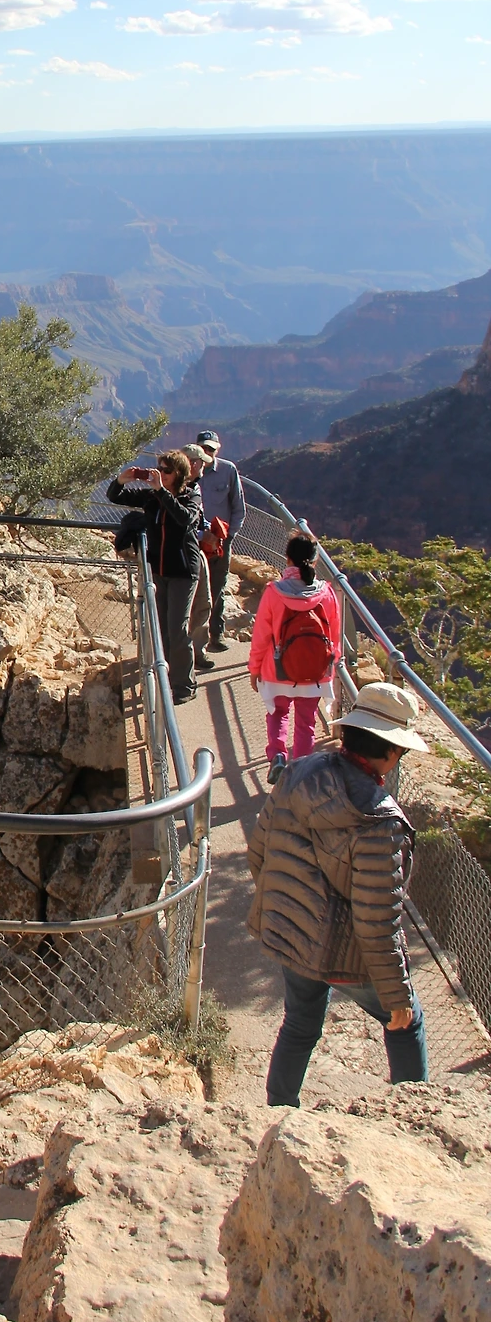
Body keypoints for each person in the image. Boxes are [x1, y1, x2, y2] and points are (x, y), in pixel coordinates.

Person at [247, 681, 429, 1107]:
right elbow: (376, 920)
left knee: (300, 1022)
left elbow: (259, 852)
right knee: (406, 1022)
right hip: (342, 951)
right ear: (390, 751)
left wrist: (286, 909)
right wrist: (397, 995)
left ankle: (278, 1110)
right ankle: (414, 1111)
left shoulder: (296, 773)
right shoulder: (379, 822)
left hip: (292, 931)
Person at [107, 450, 202, 703]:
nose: (162, 473)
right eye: (160, 467)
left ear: (179, 474)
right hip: (158, 569)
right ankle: (164, 678)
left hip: (183, 571)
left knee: (178, 627)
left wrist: (162, 492)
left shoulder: (191, 495)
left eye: (167, 470)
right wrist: (121, 480)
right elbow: (114, 497)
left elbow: (184, 519)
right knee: (161, 627)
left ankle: (184, 685)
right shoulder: (150, 496)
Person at [249, 532, 342, 785]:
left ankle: (278, 756)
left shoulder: (274, 592)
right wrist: (329, 670)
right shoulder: (326, 593)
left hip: (277, 671)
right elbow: (334, 637)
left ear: (287, 558)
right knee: (306, 722)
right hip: (314, 673)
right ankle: (301, 771)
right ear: (315, 561)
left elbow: (260, 637)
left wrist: (254, 669)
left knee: (278, 714)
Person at [196, 430, 245, 651]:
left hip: (220, 543)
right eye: (203, 448)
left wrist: (227, 537)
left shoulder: (228, 471)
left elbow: (238, 508)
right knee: (192, 589)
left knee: (217, 588)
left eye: (211, 449)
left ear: (217, 449)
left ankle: (216, 634)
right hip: (193, 541)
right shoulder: (187, 470)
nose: (207, 453)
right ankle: (193, 638)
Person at [182, 443, 216, 674]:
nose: (204, 465)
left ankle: (197, 652)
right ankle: (182, 657)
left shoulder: (194, 487)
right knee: (184, 608)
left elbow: (196, 521)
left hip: (197, 552)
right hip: (184, 555)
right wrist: (204, 534)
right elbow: (184, 525)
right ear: (193, 464)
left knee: (203, 603)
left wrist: (208, 529)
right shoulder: (179, 489)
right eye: (202, 462)